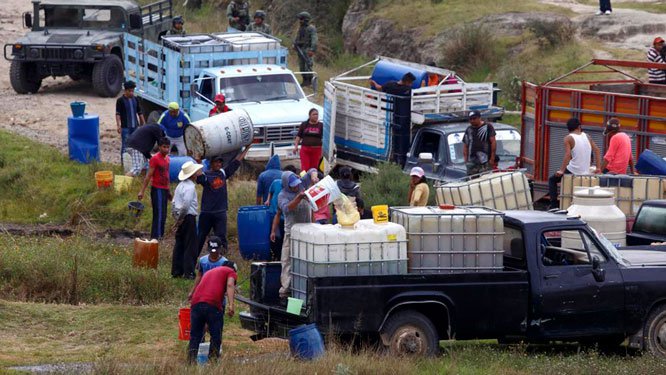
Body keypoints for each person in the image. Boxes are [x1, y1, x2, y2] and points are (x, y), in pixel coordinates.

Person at [197, 146, 251, 254]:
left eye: (220, 162)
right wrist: (197, 160)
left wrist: (247, 149)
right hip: (206, 212)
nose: (218, 164)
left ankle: (222, 257)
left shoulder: (223, 173)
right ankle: (193, 257)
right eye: (216, 162)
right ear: (211, 163)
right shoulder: (206, 175)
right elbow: (198, 175)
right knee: (200, 236)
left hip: (220, 212)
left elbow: (236, 162)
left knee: (221, 236)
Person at [187, 261, 237, 364]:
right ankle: (213, 362)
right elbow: (230, 284)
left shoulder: (210, 272)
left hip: (196, 303)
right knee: (215, 335)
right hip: (212, 304)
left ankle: (191, 363)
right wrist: (231, 305)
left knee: (195, 335)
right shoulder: (231, 271)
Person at [273, 172, 312, 299]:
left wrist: (314, 175)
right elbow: (287, 209)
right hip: (291, 233)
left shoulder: (302, 185)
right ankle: (286, 291)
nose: (296, 187)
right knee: (287, 261)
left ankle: (307, 289)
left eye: (297, 185)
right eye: (293, 186)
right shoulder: (282, 195)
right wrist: (299, 197)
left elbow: (312, 171)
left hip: (307, 232)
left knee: (307, 260)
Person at [548, 118, 602, 209]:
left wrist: (561, 170)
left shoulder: (568, 138)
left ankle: (554, 206)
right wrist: (598, 168)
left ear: (568, 128)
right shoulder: (587, 136)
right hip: (585, 171)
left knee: (552, 180)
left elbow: (568, 155)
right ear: (579, 127)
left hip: (573, 170)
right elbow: (597, 150)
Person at [369, 73, 416, 167]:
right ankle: (398, 162)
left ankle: (391, 159)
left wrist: (373, 83)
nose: (411, 85)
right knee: (400, 142)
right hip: (402, 117)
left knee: (391, 139)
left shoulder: (390, 85)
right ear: (407, 82)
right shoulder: (407, 90)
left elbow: (380, 88)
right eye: (411, 83)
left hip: (388, 115)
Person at [172, 161, 204, 279]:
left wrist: (176, 217)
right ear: (193, 175)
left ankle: (176, 271)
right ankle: (189, 272)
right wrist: (180, 218)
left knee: (180, 244)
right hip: (188, 217)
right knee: (191, 246)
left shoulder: (180, 186)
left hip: (181, 216)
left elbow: (174, 203)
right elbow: (186, 205)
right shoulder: (190, 187)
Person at [138, 137, 171, 239]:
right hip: (157, 189)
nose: (166, 149)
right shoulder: (155, 159)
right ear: (160, 147)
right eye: (164, 147)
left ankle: (160, 235)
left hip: (164, 189)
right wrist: (142, 191)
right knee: (158, 213)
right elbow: (148, 176)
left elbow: (167, 175)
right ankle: (155, 237)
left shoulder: (168, 159)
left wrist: (169, 191)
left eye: (167, 147)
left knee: (164, 214)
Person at [266, 165, 299, 260]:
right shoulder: (282, 194)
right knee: (280, 241)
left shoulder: (299, 188)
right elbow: (280, 212)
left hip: (296, 224)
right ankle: (278, 258)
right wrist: (273, 231)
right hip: (284, 222)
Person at [462, 110, 496, 176]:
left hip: (485, 161)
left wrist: (492, 158)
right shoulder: (469, 129)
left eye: (474, 119)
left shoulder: (488, 127)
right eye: (470, 119)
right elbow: (465, 145)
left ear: (479, 118)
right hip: (472, 162)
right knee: (472, 181)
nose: (472, 121)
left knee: (485, 180)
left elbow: (493, 142)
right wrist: (466, 160)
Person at [116, 81, 145, 156]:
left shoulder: (135, 99)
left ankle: (133, 163)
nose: (132, 93)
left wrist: (143, 123)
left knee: (135, 146)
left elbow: (139, 112)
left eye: (133, 91)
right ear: (125, 90)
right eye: (130, 91)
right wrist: (118, 125)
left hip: (135, 127)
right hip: (125, 128)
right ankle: (124, 164)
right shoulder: (120, 101)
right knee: (125, 146)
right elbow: (118, 114)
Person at [294, 11, 318, 87]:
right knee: (301, 67)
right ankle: (304, 81)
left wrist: (312, 50)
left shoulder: (311, 28)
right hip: (300, 50)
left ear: (305, 20)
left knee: (308, 66)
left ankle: (309, 82)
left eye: (301, 19)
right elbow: (297, 38)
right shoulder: (301, 28)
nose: (300, 21)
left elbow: (314, 40)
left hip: (307, 50)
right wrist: (295, 44)